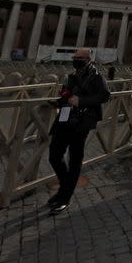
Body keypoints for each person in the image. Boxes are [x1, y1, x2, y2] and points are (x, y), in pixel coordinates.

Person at [47, 48, 110, 213]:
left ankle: (64, 196)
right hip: (64, 119)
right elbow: (66, 95)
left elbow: (104, 96)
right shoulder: (71, 76)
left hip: (82, 122)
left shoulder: (97, 77)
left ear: (88, 59)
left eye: (80, 57)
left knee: (75, 158)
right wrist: (58, 101)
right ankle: (65, 186)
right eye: (75, 57)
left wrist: (81, 101)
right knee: (54, 155)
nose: (76, 59)